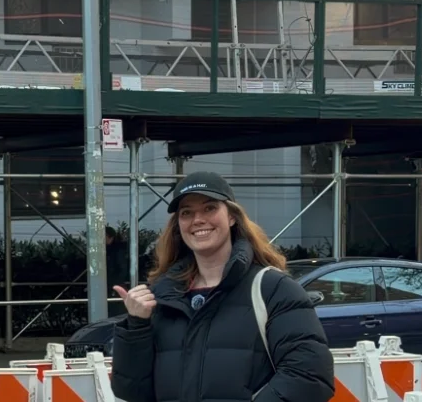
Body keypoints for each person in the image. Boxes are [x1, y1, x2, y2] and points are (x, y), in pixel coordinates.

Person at [110, 171, 335, 402]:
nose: (198, 220)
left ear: (232, 217)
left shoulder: (273, 289)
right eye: (187, 213)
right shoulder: (162, 297)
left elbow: (309, 376)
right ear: (178, 225)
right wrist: (137, 326)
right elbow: (132, 391)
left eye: (210, 208)